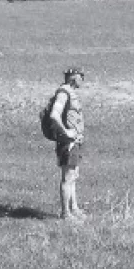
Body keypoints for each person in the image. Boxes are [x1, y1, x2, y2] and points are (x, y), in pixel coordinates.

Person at [51, 67, 86, 219]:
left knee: (74, 175)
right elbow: (54, 115)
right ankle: (65, 213)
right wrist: (66, 132)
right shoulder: (63, 93)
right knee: (68, 176)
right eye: (81, 77)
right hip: (68, 143)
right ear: (74, 78)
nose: (82, 80)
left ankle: (74, 208)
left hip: (75, 141)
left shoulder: (70, 92)